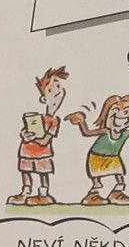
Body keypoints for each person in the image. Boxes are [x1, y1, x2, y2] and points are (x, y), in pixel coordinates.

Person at [9, 67, 85, 205]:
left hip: (43, 153)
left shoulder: (54, 121)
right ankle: (25, 192)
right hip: (26, 151)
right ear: (43, 98)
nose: (56, 92)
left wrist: (34, 138)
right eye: (50, 90)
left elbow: (45, 140)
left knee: (43, 173)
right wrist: (24, 135)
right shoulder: (37, 118)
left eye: (58, 88)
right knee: (26, 171)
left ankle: (43, 194)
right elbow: (24, 131)